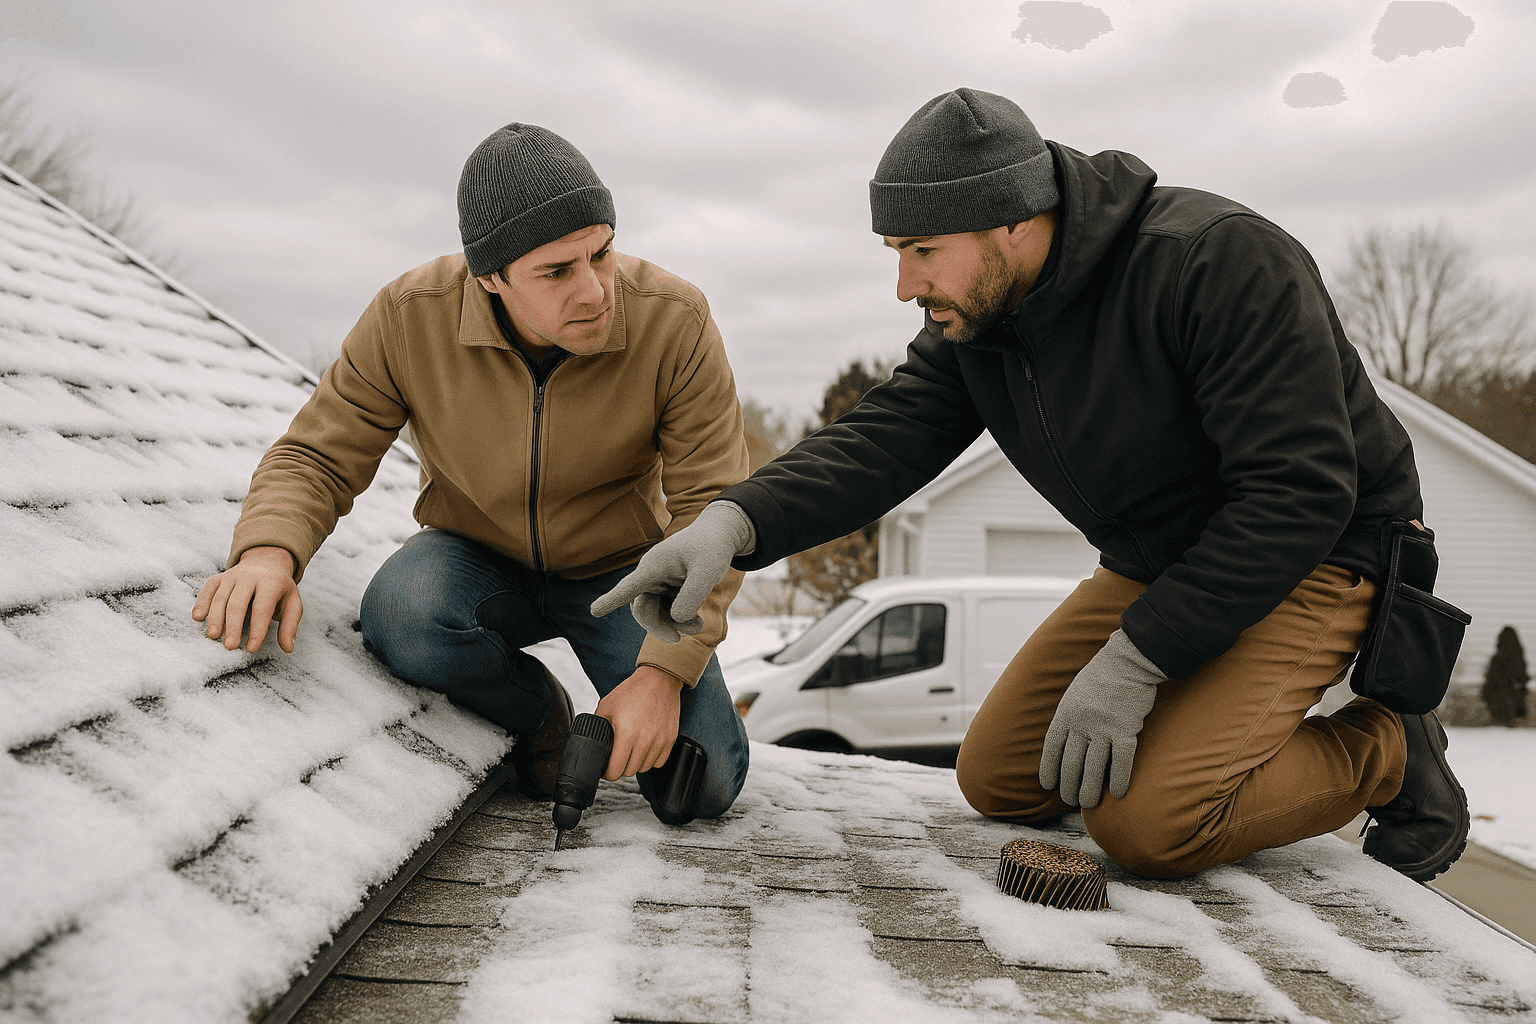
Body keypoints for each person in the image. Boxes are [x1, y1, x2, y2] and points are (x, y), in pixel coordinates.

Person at [592, 89, 1470, 880]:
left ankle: (1386, 750)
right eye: (897, 251)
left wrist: (1138, 658)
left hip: (1318, 554)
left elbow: (1300, 494)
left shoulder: (1215, 261)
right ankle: (1198, 726)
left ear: (1014, 220)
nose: (905, 284)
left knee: (1149, 827)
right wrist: (734, 523)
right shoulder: (985, 320)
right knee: (1002, 776)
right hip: (1159, 562)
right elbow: (884, 438)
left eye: (924, 250)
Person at [193, 123, 752, 820]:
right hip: (476, 559)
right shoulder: (407, 317)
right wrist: (269, 553)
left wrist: (663, 675)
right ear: (490, 275)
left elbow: (715, 504)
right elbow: (317, 453)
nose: (594, 291)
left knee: (704, 786)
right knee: (401, 611)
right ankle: (538, 715)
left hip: (627, 575)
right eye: (557, 272)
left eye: (601, 254)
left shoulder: (675, 319)